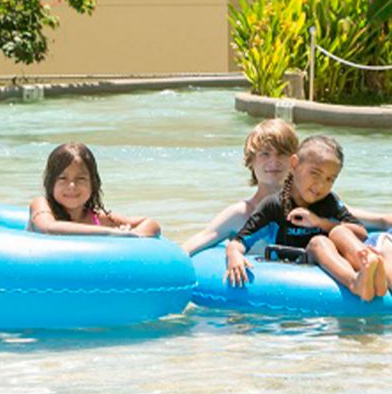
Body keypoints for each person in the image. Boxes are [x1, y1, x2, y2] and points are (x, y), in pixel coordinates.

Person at [183, 119, 389, 255]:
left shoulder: (317, 203)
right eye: (265, 154)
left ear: (294, 162)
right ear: (251, 162)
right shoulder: (240, 214)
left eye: (281, 154)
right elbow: (201, 239)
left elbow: (379, 221)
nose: (274, 162)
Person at [225, 135, 387, 301]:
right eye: (315, 174)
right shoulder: (274, 205)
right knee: (319, 242)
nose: (321, 185)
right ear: (294, 165)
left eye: (330, 179)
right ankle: (354, 283)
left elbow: (361, 233)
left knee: (339, 230)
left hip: (337, 259)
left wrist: (320, 222)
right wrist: (234, 256)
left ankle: (369, 267)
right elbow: (239, 241)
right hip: (303, 263)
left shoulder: (329, 201)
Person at [29, 143, 161, 237]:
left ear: (93, 183)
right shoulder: (41, 205)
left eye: (80, 179)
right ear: (51, 182)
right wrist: (110, 232)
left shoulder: (98, 219)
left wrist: (132, 235)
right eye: (63, 178)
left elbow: (150, 223)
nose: (72, 186)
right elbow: (47, 227)